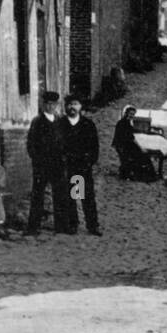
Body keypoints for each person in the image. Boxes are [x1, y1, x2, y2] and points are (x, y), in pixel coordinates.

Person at [25, 91, 70, 235]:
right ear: (43, 104)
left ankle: (61, 225)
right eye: (48, 104)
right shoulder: (37, 121)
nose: (50, 107)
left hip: (57, 164)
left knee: (60, 194)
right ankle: (33, 226)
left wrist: (64, 158)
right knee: (38, 194)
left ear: (57, 105)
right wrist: (36, 160)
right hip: (42, 164)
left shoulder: (61, 121)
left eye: (53, 104)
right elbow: (31, 143)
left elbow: (65, 142)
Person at [59, 93, 101, 236]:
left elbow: (94, 147)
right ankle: (72, 224)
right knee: (69, 196)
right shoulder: (60, 124)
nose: (72, 107)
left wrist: (89, 162)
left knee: (86, 196)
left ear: (80, 107)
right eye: (69, 104)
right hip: (67, 166)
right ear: (65, 107)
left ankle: (92, 225)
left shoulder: (87, 125)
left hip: (83, 166)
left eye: (75, 104)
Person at [112, 105, 157, 182]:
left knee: (141, 155)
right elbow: (130, 138)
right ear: (126, 113)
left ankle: (141, 174)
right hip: (123, 146)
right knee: (142, 155)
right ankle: (144, 176)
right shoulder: (123, 123)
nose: (132, 116)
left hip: (124, 144)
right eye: (130, 114)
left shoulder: (126, 122)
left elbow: (130, 135)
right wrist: (140, 148)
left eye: (133, 114)